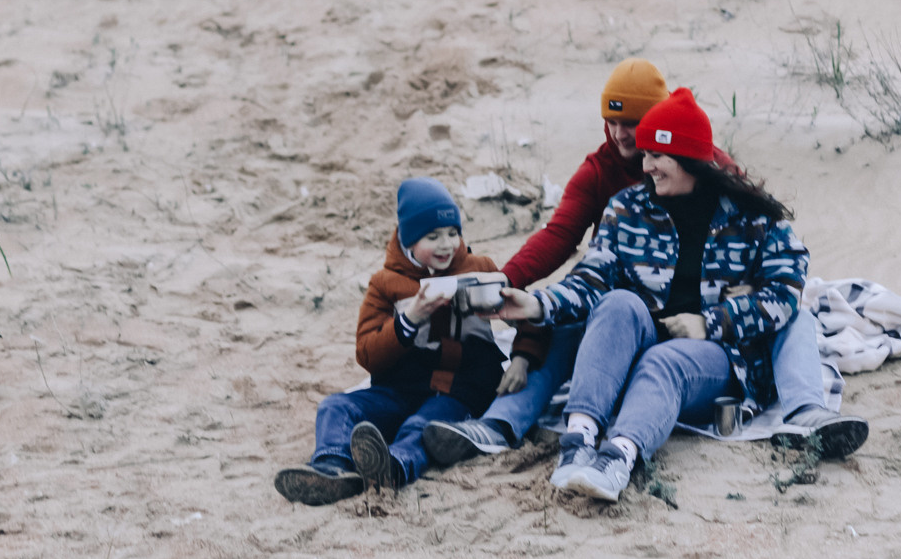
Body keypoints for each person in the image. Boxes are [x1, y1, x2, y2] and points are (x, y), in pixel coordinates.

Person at [423, 62, 865, 466]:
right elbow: (573, 253)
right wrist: (519, 293)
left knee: (794, 318)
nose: (623, 138)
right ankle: (499, 424)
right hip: (625, 323)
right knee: (577, 318)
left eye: (634, 126)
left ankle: (808, 415)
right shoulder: (616, 195)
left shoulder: (731, 195)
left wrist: (718, 317)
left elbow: (778, 272)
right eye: (611, 123)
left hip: (703, 344)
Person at [497, 88, 807, 503]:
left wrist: (711, 322)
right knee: (616, 303)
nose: (646, 167)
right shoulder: (627, 209)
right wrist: (537, 304)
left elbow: (786, 292)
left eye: (657, 157)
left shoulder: (751, 218)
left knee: (665, 360)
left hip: (718, 356)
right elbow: (592, 277)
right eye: (644, 156)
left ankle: (618, 457)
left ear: (689, 158)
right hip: (642, 342)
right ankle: (578, 442)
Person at [273, 178, 530, 504]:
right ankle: (332, 468)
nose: (446, 245)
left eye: (453, 233)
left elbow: (526, 317)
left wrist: (521, 358)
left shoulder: (480, 270)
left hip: (459, 389)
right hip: (401, 388)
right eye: (432, 236)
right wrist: (408, 320)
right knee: (335, 407)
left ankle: (392, 467)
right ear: (409, 239)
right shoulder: (386, 284)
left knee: (421, 427)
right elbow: (367, 354)